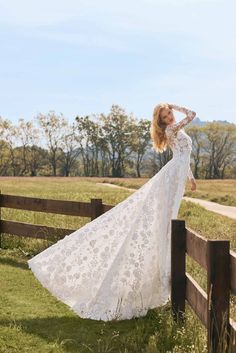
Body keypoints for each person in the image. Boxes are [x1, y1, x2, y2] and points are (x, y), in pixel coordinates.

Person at [28, 103, 197, 322]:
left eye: (170, 113)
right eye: (166, 115)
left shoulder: (176, 130)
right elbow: (192, 114)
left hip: (177, 174)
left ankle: (160, 272)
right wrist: (173, 104)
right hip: (172, 177)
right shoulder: (171, 130)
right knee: (163, 220)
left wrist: (190, 177)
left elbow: (183, 155)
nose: (170, 116)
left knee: (165, 221)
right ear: (162, 121)